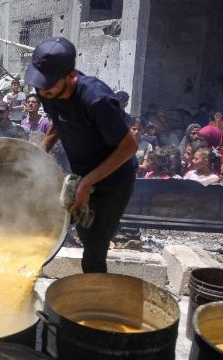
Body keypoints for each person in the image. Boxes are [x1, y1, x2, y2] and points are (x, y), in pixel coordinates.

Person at [26, 36, 138, 274]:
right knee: (84, 230)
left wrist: (87, 183)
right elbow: (57, 122)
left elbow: (130, 147)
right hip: (83, 176)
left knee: (94, 255)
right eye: (40, 84)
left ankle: (94, 305)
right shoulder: (49, 92)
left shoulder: (97, 99)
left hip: (114, 182)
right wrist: (41, 150)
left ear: (70, 75)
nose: (42, 91)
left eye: (48, 85)